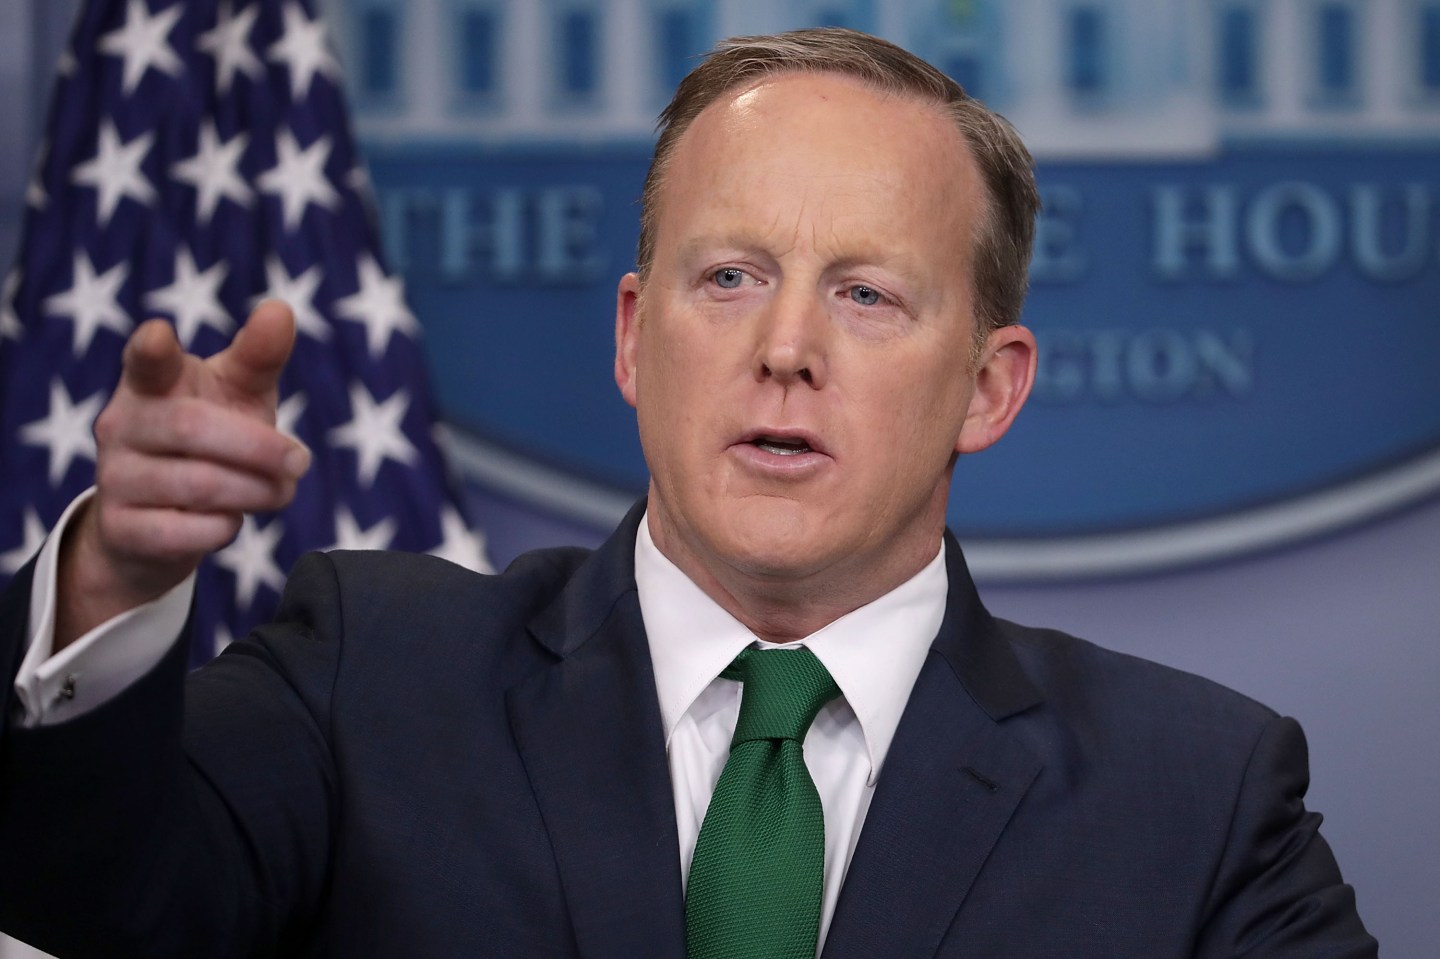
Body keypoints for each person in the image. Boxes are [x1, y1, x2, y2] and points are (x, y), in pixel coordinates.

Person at [0, 28, 1375, 959]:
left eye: (868, 295)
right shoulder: (373, 673)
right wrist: (113, 587)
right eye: (729, 279)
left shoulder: (1194, 798)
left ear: (990, 388)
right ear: (629, 338)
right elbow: (81, 903)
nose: (786, 349)